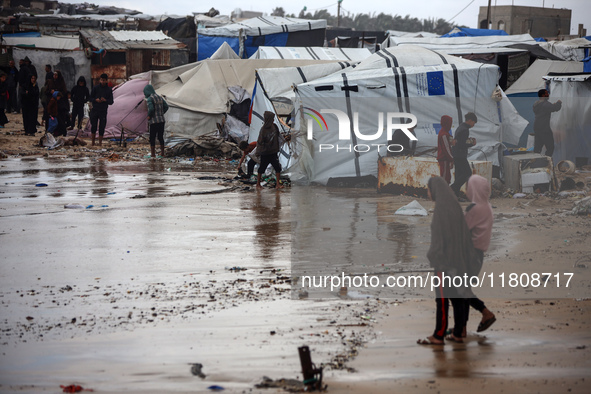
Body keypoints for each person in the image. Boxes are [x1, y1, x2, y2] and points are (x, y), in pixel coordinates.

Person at [417, 176, 476, 345]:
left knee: (442, 300)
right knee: (457, 298)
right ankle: (458, 332)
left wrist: (434, 259)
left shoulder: (441, 210)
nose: (428, 193)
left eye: (428, 190)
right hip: (459, 262)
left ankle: (439, 334)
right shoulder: (454, 207)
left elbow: (438, 241)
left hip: (445, 264)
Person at [463, 175, 496, 334]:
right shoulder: (488, 206)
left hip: (469, 254)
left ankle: (485, 313)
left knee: (460, 290)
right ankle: (462, 327)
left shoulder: (474, 208)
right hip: (478, 255)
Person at [256, 111, 286, 189]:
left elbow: (279, 136)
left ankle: (277, 184)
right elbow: (260, 142)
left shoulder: (275, 127)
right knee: (262, 168)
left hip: (273, 152)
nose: (273, 120)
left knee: (277, 167)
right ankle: (258, 184)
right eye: (272, 119)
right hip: (265, 153)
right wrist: (259, 151)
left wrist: (284, 139)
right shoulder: (263, 130)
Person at [450, 112, 477, 198]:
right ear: (469, 120)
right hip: (460, 155)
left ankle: (456, 195)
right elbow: (461, 144)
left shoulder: (460, 127)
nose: (473, 125)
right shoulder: (465, 130)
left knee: (459, 174)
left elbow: (459, 141)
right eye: (473, 122)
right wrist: (471, 144)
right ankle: (453, 188)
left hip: (456, 154)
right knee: (467, 173)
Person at [533, 89, 562, 157]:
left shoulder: (536, 104)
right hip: (544, 128)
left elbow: (547, 108)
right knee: (550, 147)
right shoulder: (545, 104)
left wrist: (552, 106)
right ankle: (546, 162)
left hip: (537, 127)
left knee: (538, 147)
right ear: (543, 95)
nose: (548, 94)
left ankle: (535, 162)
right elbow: (555, 108)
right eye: (546, 93)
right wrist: (559, 103)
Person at [143, 84, 168, 158]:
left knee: (152, 138)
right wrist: (161, 113)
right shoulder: (160, 97)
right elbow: (166, 106)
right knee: (160, 137)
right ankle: (162, 153)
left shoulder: (150, 99)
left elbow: (151, 109)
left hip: (154, 122)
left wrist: (149, 116)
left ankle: (153, 154)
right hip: (162, 121)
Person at [89, 73, 113, 146]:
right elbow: (90, 98)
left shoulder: (109, 90)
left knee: (102, 126)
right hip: (95, 109)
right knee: (94, 126)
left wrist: (105, 100)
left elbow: (111, 101)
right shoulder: (95, 88)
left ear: (106, 81)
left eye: (104, 80)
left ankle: (100, 143)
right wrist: (95, 100)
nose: (102, 82)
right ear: (100, 80)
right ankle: (93, 142)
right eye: (101, 80)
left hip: (103, 110)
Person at [437, 115, 454, 184]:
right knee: (444, 178)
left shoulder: (443, 133)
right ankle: (441, 193)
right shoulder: (444, 134)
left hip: (445, 158)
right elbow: (446, 148)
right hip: (444, 159)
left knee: (446, 176)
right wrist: (451, 158)